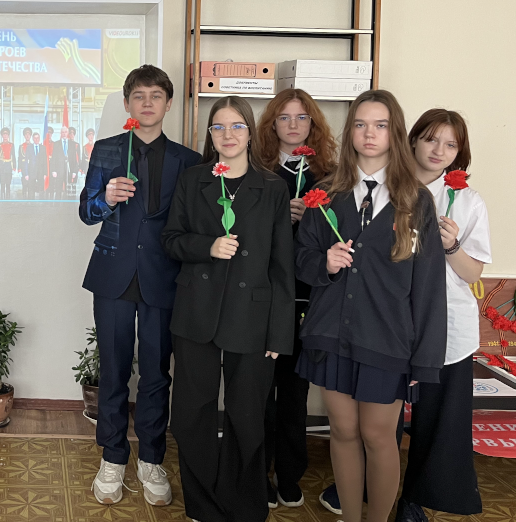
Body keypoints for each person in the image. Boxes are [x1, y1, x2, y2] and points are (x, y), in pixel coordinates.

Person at [295, 90, 446, 522]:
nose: (369, 133)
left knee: (378, 436)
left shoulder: (417, 201)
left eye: (380, 125)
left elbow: (429, 288)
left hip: (387, 339)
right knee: (343, 432)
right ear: (350, 133)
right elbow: (300, 258)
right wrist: (324, 263)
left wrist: (424, 360)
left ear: (394, 133)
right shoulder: (325, 193)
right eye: (360, 124)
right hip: (331, 332)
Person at [162, 95, 295, 522]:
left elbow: (282, 265)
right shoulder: (192, 180)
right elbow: (171, 240)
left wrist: (279, 333)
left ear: (251, 132)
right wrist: (208, 247)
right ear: (210, 135)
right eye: (219, 127)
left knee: (247, 417)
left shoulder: (273, 187)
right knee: (191, 414)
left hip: (252, 318)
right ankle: (203, 505)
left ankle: (244, 505)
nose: (228, 134)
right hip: (195, 313)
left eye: (237, 126)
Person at [80, 65, 202, 507]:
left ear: (168, 104)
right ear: (127, 104)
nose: (147, 103)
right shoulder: (107, 150)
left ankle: (151, 458)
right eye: (139, 96)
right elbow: (86, 212)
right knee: (113, 371)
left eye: (156, 96)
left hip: (164, 278)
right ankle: (112, 457)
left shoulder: (189, 160)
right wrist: (105, 199)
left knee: (155, 374)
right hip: (113, 274)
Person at [395, 109, 491, 522]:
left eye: (451, 145)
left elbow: (473, 274)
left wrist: (451, 246)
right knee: (380, 412)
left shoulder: (467, 202)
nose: (439, 151)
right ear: (413, 140)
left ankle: (414, 499)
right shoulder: (388, 189)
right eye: (432, 139)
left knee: (437, 420)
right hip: (391, 320)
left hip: (449, 325)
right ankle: (364, 485)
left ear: (459, 153)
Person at [254, 89, 337, 509]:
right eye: (284, 117)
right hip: (264, 296)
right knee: (259, 390)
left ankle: (289, 474)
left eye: (301, 117)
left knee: (293, 392)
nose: (292, 125)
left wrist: (311, 221)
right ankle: (259, 473)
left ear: (312, 125)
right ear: (272, 125)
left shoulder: (331, 178)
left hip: (307, 300)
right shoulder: (257, 171)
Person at [52, 126, 80, 199]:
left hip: (69, 171)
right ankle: (57, 204)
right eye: (62, 132)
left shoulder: (72, 144)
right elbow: (53, 158)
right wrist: (54, 170)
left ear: (67, 133)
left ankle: (68, 205)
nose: (64, 134)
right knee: (58, 190)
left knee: (69, 191)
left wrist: (74, 171)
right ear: (60, 133)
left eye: (65, 132)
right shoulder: (56, 144)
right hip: (59, 171)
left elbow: (74, 159)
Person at [0, 127, 16, 199]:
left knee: (8, 183)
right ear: (2, 135)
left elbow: (13, 156)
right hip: (2, 166)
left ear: (8, 135)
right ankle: (2, 196)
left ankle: (8, 197)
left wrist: (14, 167)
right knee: (2, 182)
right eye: (4, 134)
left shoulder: (11, 145)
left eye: (6, 134)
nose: (5, 136)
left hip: (9, 165)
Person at [18, 127, 34, 199]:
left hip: (31, 168)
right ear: (24, 136)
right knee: (24, 184)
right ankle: (24, 199)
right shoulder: (21, 146)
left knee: (31, 185)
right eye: (26, 134)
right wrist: (19, 169)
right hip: (23, 167)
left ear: (30, 136)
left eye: (29, 134)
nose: (27, 136)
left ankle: (30, 200)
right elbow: (19, 158)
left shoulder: (33, 146)